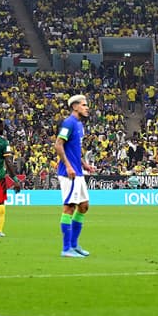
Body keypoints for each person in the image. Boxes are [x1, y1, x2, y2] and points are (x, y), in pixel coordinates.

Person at [55, 94, 93, 258]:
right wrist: (69, 166)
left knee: (83, 206)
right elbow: (58, 145)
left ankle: (74, 245)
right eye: (84, 105)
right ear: (75, 106)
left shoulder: (79, 125)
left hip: (78, 171)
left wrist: (84, 164)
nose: (87, 107)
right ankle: (66, 249)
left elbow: (74, 149)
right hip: (69, 173)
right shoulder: (69, 123)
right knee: (69, 207)